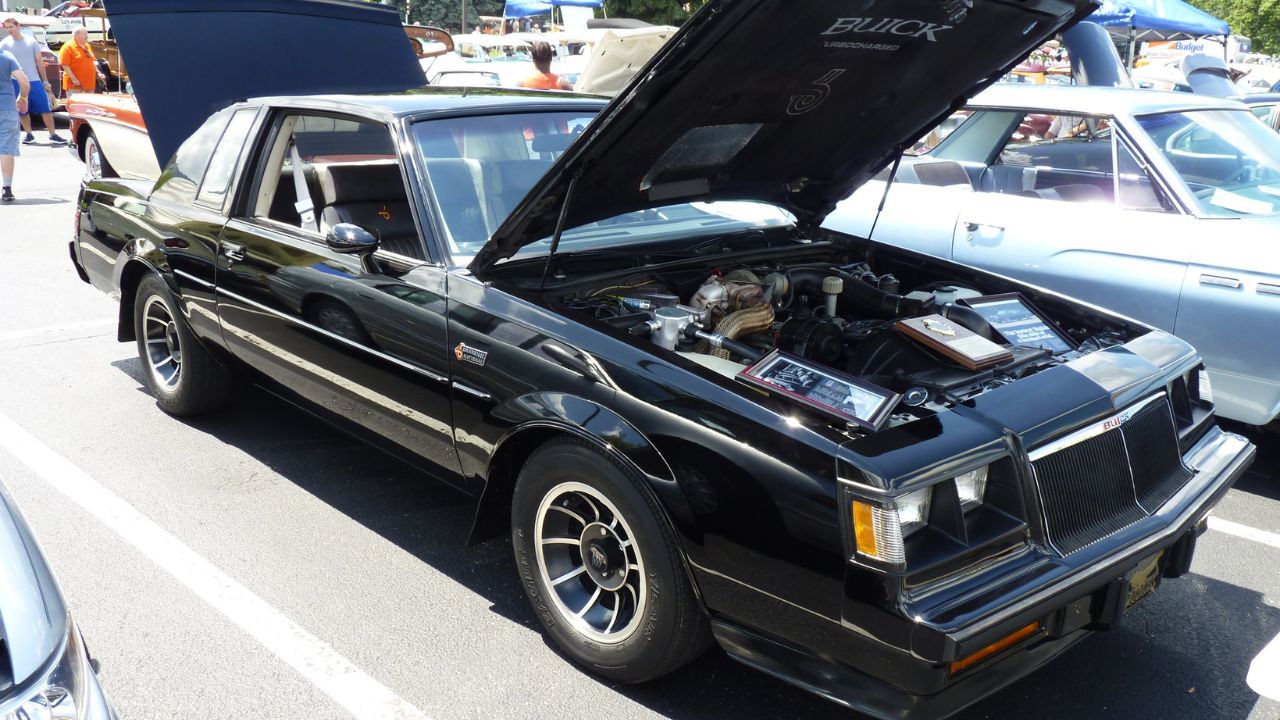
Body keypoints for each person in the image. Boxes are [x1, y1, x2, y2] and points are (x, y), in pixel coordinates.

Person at [0, 16, 64, 145]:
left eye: (11, 27)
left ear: (18, 26)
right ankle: (29, 135)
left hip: (34, 80)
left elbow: (40, 62)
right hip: (15, 81)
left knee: (45, 108)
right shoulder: (5, 44)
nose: (9, 30)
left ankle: (53, 134)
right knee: (22, 109)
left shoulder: (31, 42)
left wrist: (45, 81)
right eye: (7, 28)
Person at [1, 47, 30, 201]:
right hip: (6, 107)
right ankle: (7, 188)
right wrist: (23, 98)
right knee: (6, 149)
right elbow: (24, 82)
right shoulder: (6, 55)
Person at [58, 27, 100, 96]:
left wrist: (98, 72)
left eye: (87, 34)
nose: (87, 36)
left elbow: (92, 61)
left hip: (89, 84)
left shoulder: (87, 45)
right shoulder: (68, 47)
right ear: (76, 35)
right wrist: (74, 79)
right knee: (77, 106)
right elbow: (64, 64)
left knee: (88, 105)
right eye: (84, 34)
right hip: (75, 85)